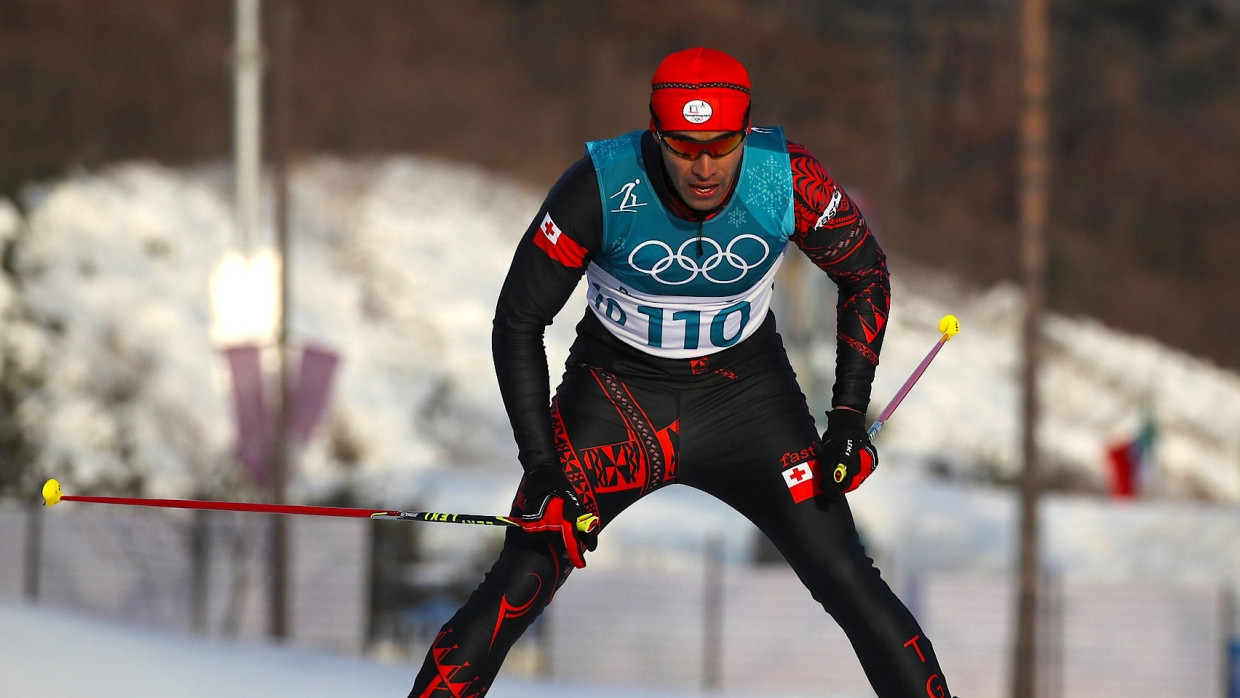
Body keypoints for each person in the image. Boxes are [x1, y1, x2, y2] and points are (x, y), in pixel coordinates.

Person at [409, 47, 954, 698]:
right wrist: (543, 465)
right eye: (683, 146)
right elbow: (517, 322)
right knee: (521, 581)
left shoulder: (784, 177)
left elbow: (863, 273)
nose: (702, 167)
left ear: (746, 129)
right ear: (655, 132)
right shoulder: (601, 185)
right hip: (616, 400)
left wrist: (845, 420)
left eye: (721, 145)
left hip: (747, 402)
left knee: (846, 574)